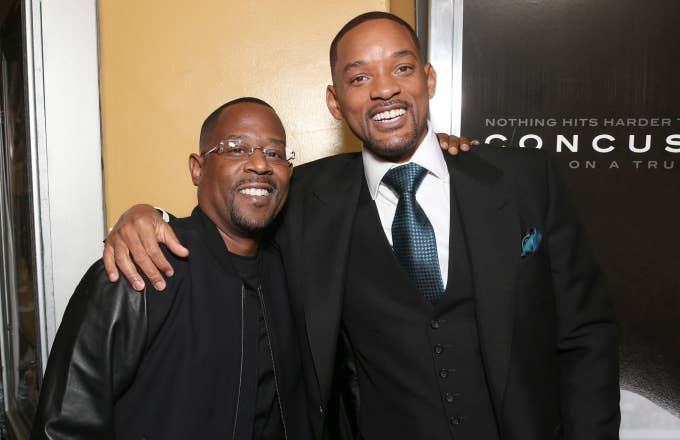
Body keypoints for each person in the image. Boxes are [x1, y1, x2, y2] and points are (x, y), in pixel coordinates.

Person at [103, 12, 620, 440]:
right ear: (335, 102)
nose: (384, 91)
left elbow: (585, 335)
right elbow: (229, 215)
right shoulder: (301, 197)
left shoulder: (521, 179)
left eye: (401, 69)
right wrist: (148, 218)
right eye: (359, 78)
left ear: (428, 79)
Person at [30, 98, 312, 439]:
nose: (259, 164)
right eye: (236, 148)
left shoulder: (294, 273)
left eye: (274, 153)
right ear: (197, 168)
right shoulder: (140, 269)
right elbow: (63, 427)